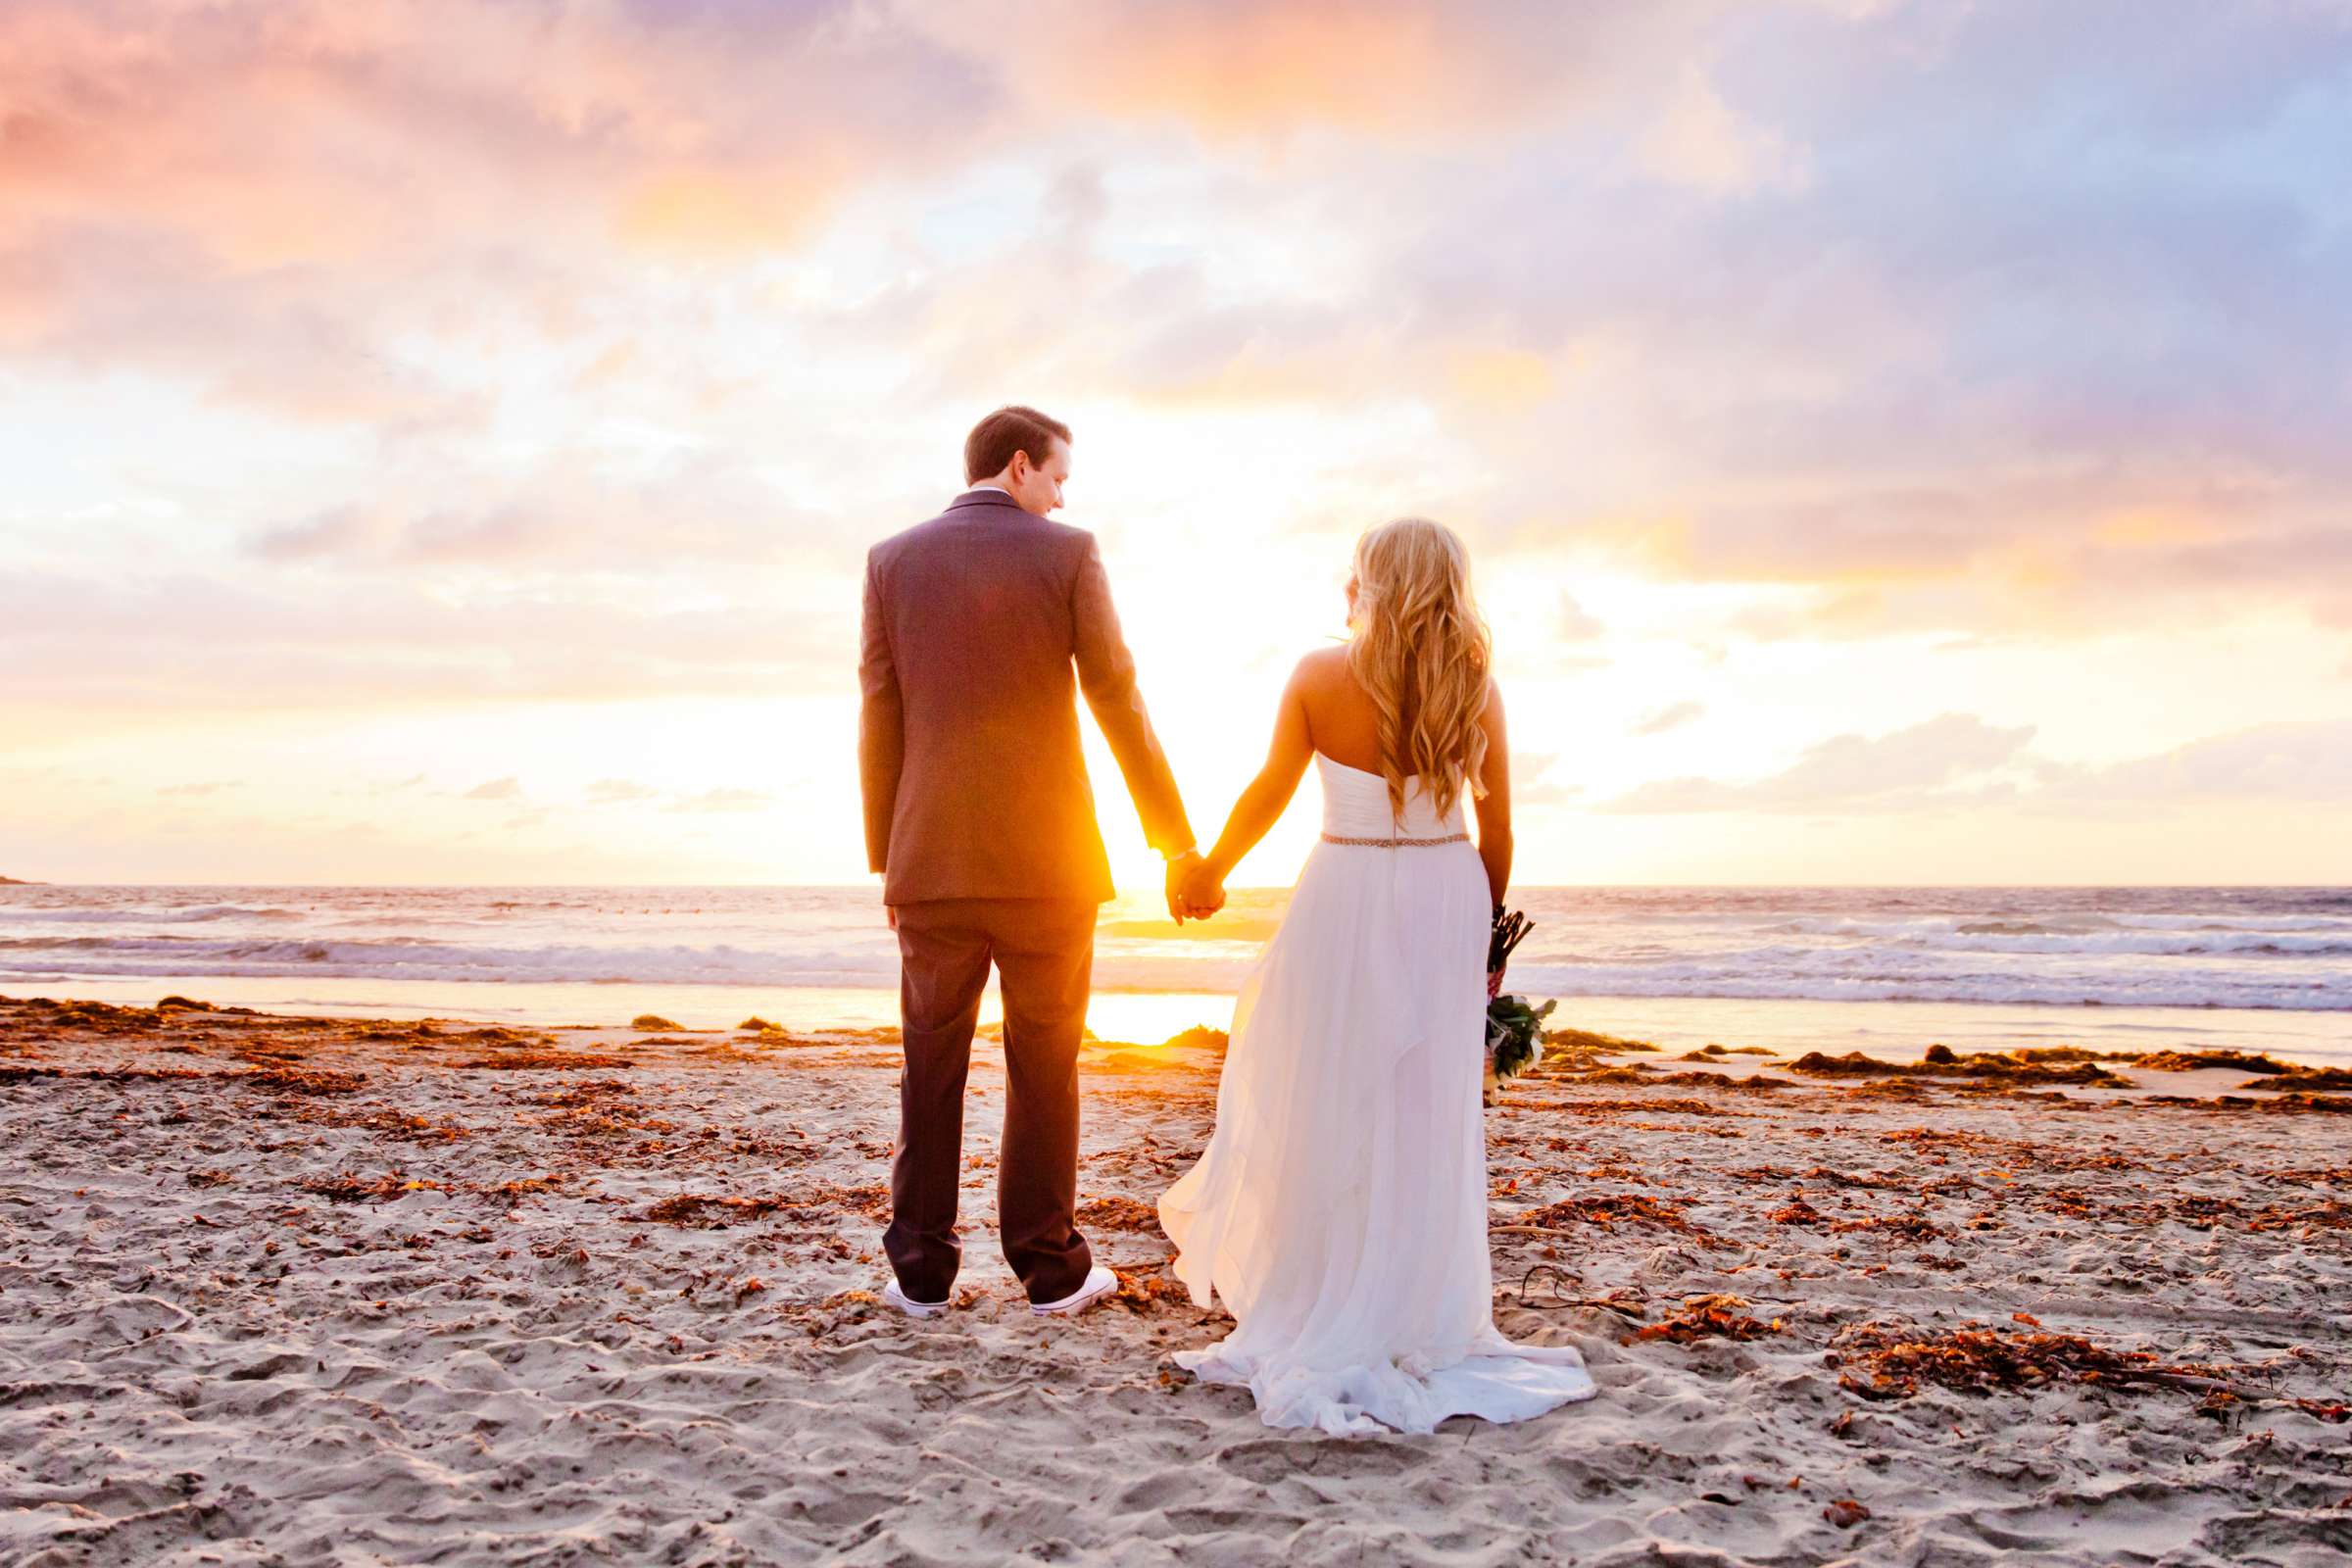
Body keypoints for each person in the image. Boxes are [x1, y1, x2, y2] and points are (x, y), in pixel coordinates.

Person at [1156, 516, 1598, 1435]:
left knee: (1324, 1088)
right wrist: (1487, 943)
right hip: (1443, 889)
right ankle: (1413, 1304)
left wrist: (1210, 870)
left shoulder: (1319, 674)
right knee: (1424, 1105)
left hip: (1345, 885)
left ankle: (1317, 1285)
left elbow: (1270, 789)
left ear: (1369, 582)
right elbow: (1500, 832)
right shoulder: (1475, 683)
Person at [858, 405, 1215, 1320]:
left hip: (929, 860)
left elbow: (881, 715)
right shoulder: (1066, 555)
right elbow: (1117, 699)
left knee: (927, 1067)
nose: (1062, 499)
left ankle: (922, 1276)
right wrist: (1173, 839)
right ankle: (1049, 1269)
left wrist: (886, 860)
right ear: (1019, 466)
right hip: (1051, 865)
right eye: (1058, 478)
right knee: (1045, 1067)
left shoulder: (891, 561)